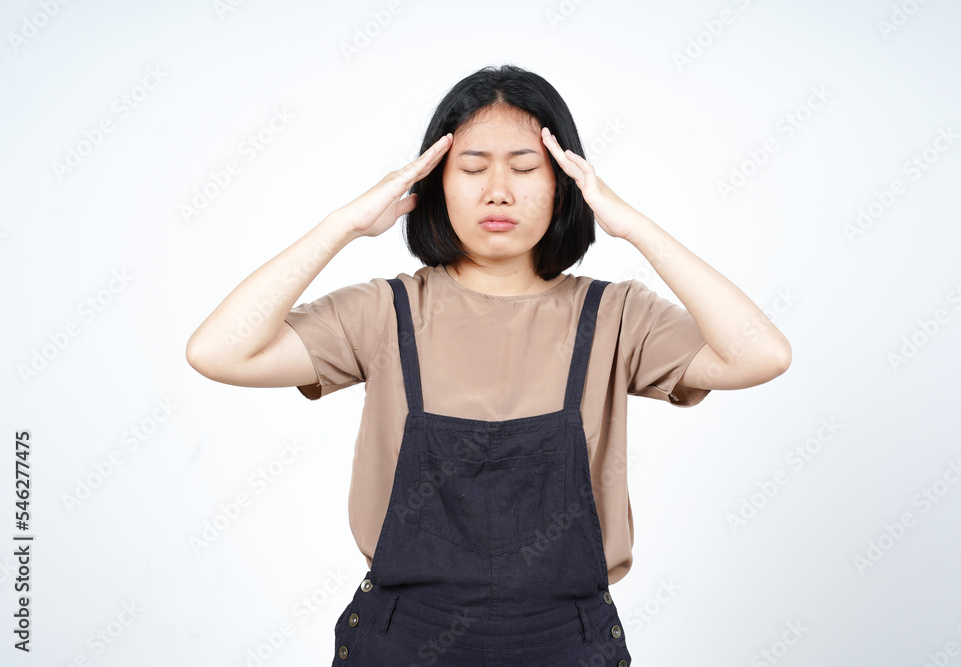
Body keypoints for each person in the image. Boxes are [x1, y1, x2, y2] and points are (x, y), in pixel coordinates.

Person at [186, 64, 791, 665]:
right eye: (472, 169)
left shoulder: (615, 315)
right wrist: (343, 225)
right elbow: (219, 351)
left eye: (525, 169)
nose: (497, 190)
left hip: (566, 644)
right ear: (436, 184)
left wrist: (634, 227)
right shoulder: (386, 311)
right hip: (402, 644)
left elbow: (760, 353)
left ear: (564, 185)